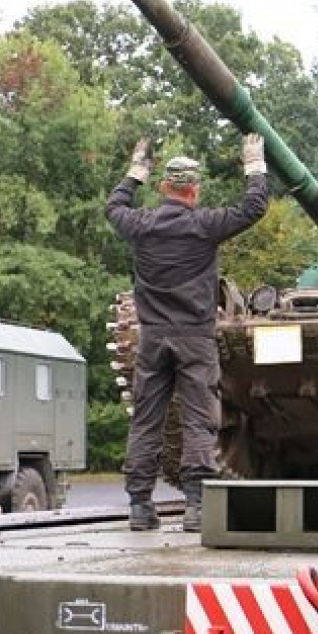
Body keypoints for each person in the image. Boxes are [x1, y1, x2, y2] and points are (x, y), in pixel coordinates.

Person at [106, 134, 269, 532]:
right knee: (198, 420)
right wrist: (254, 165)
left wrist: (136, 170)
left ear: (165, 187)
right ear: (194, 190)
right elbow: (253, 207)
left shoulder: (141, 224)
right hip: (195, 338)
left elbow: (114, 206)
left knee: (146, 420)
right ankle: (196, 507)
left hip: (152, 338)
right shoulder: (204, 225)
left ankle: (139, 506)